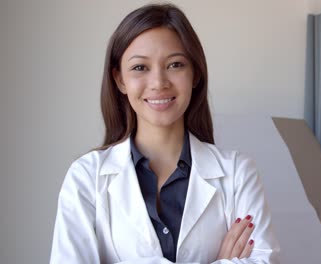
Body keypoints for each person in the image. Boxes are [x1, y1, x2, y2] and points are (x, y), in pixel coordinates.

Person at [50, 3, 279, 264]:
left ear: (195, 74)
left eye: (175, 64)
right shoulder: (86, 178)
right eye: (140, 68)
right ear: (119, 80)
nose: (159, 82)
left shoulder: (238, 173)